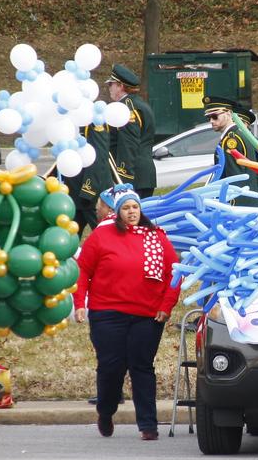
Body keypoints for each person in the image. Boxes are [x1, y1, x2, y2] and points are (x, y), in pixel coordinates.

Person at [72, 183, 180, 440]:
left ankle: (148, 425)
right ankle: (106, 411)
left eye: (136, 207)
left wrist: (166, 306)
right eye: (126, 208)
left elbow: (174, 273)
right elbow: (83, 270)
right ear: (117, 212)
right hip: (107, 312)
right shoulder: (101, 235)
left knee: (142, 367)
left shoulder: (156, 236)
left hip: (147, 314)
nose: (132, 212)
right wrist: (79, 304)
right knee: (111, 366)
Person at [202, 96, 258, 208]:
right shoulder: (240, 136)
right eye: (209, 118)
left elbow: (235, 178)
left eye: (215, 116)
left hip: (243, 204)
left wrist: (233, 205)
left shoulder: (231, 139)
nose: (211, 121)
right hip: (257, 201)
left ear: (229, 114)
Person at [106, 65, 156, 198]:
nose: (109, 88)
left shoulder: (126, 109)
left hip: (133, 178)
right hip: (142, 176)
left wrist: (122, 180)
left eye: (111, 84)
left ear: (120, 86)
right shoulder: (139, 104)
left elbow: (128, 146)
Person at [64, 121, 113, 236]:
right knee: (70, 238)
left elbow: (98, 156)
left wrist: (88, 189)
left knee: (105, 235)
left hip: (91, 193)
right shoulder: (68, 119)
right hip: (74, 191)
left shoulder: (93, 122)